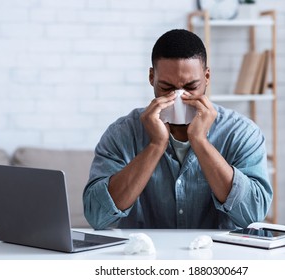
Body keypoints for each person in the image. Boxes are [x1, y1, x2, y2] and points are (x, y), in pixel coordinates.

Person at [83, 29, 272, 229]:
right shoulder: (122, 133)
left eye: (191, 87)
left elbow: (252, 215)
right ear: (151, 77)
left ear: (207, 77)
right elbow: (97, 216)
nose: (179, 98)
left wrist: (200, 142)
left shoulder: (241, 133)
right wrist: (156, 145)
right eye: (166, 88)